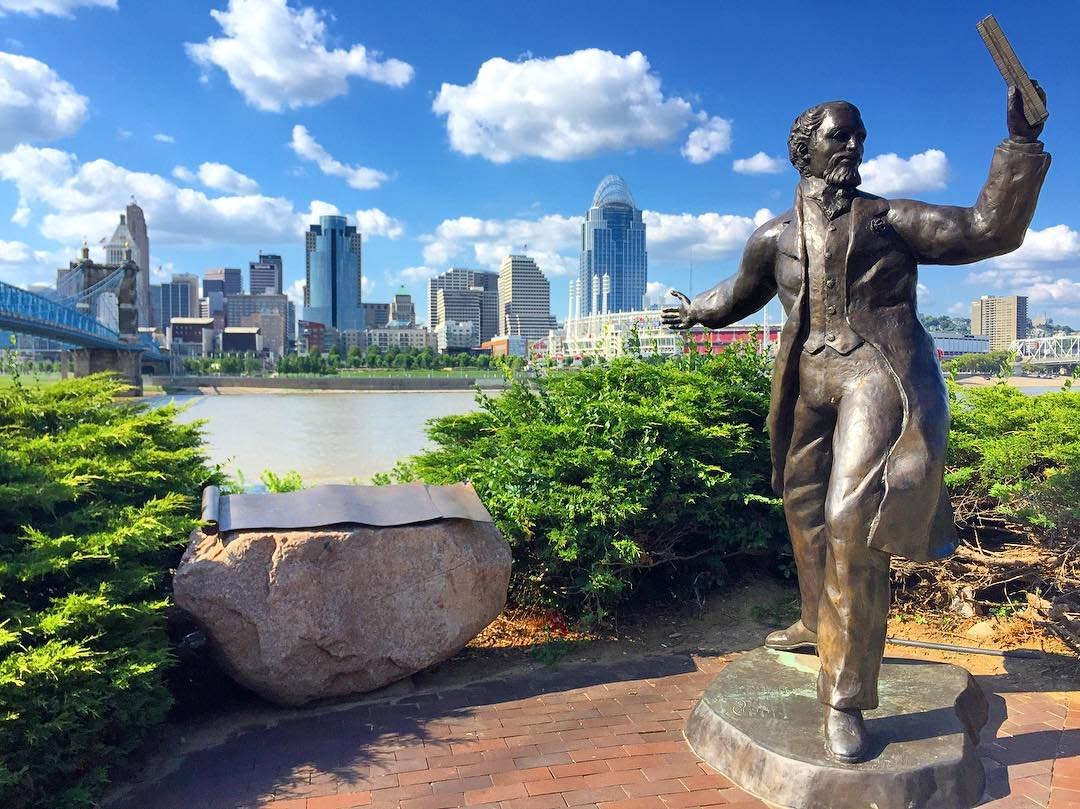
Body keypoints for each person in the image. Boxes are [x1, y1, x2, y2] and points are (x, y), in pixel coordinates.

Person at [662, 85, 1049, 762]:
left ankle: (844, 697)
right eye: (840, 136)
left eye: (859, 137)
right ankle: (817, 620)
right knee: (804, 508)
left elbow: (989, 228)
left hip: (877, 373)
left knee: (851, 519)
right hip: (806, 382)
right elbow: (739, 292)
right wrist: (696, 311)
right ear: (803, 148)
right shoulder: (774, 236)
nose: (854, 147)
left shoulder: (889, 219)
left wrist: (1018, 143)